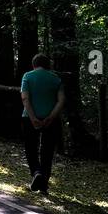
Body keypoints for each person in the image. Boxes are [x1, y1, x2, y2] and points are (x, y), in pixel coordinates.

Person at [20, 53, 65, 194]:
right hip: (50, 120)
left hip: (29, 118)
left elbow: (25, 98)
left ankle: (36, 172)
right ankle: (44, 183)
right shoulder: (56, 79)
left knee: (30, 148)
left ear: (34, 64)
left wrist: (33, 117)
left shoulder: (27, 76)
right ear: (48, 65)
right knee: (47, 151)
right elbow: (61, 100)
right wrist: (51, 117)